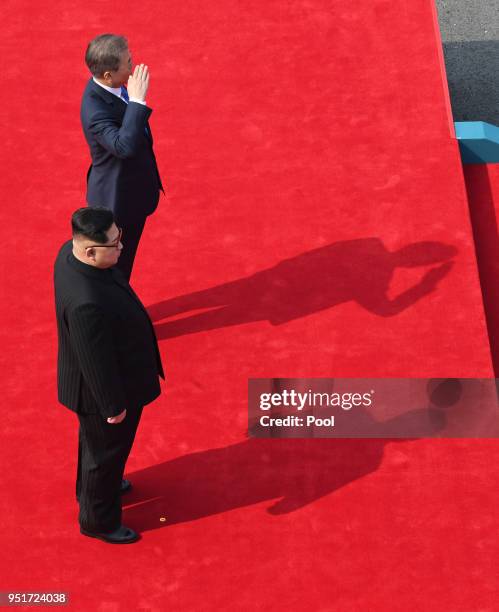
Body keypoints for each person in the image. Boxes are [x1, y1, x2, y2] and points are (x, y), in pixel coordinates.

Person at [54, 207, 165, 543]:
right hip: (104, 393)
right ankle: (99, 521)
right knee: (105, 455)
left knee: (96, 448)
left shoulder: (68, 255)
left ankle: (89, 491)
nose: (122, 248)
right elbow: (96, 361)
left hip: (95, 387)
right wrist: (113, 407)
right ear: (90, 251)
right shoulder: (87, 303)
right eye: (115, 244)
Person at [80, 33, 164, 280]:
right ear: (108, 75)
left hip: (133, 194)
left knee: (125, 261)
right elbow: (123, 146)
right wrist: (138, 100)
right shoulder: (95, 111)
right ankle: (114, 313)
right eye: (128, 63)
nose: (133, 66)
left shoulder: (112, 86)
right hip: (117, 203)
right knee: (114, 268)